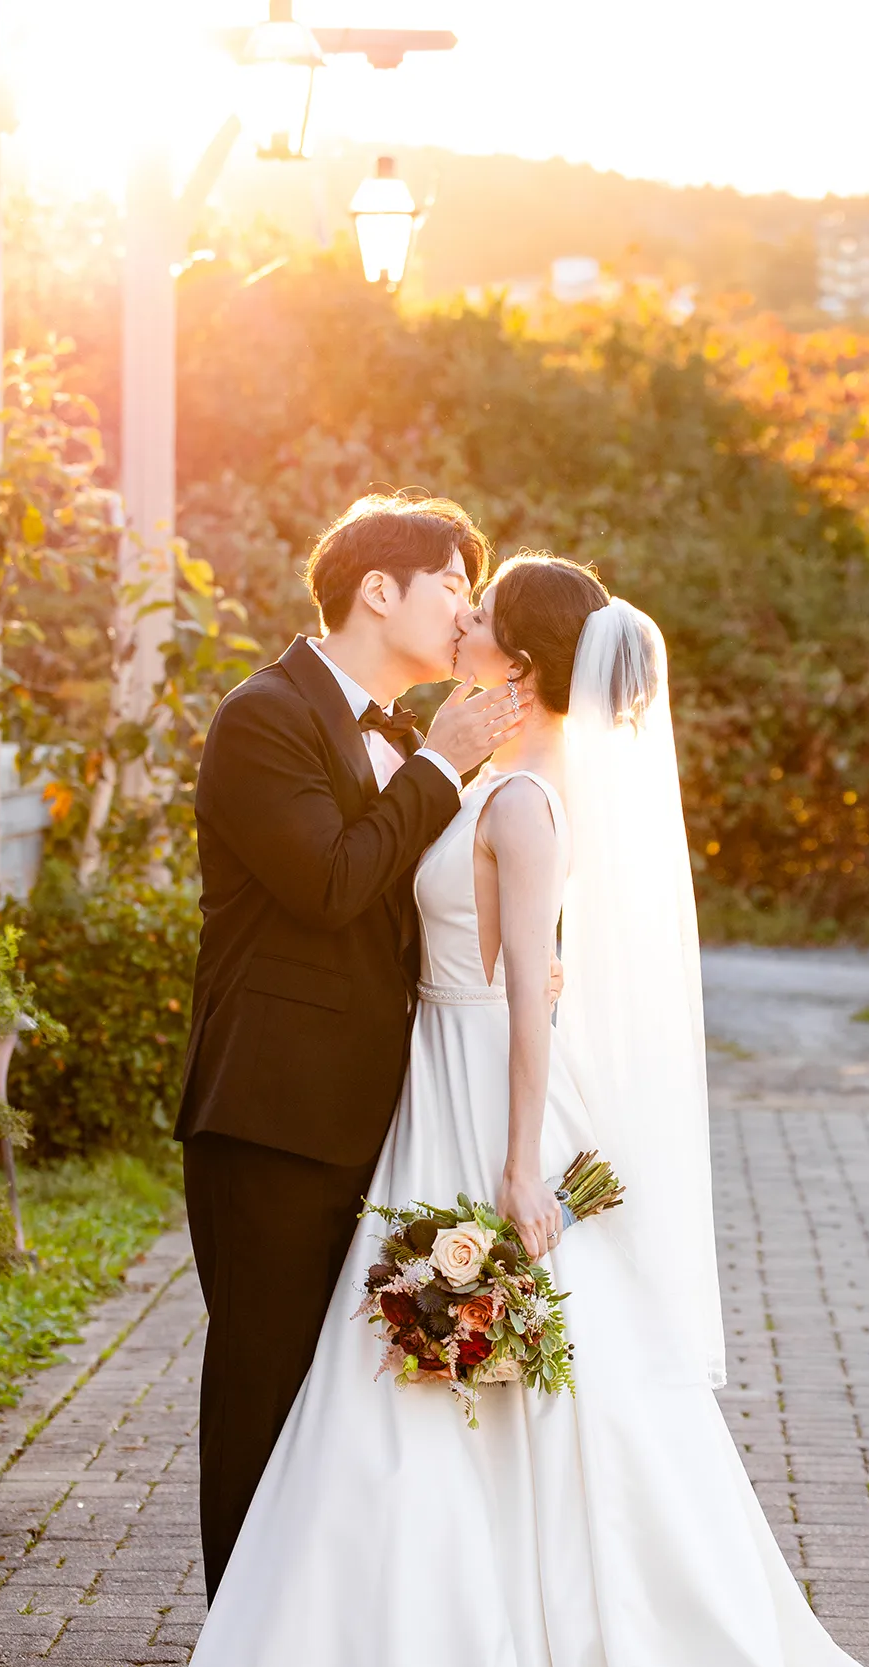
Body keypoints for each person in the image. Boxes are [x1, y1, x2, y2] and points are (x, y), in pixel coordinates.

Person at [168, 554, 869, 1667]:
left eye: (478, 609)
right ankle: (335, 1649)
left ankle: (474, 1648)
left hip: (477, 1100)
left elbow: (523, 985)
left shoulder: (514, 794)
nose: (458, 619)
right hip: (416, 1094)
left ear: (512, 660)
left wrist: (521, 1159)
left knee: (474, 1377)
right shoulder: (452, 765)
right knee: (373, 1381)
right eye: (446, 594)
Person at [174, 493, 527, 1603]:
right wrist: (439, 767)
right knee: (264, 1381)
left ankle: (316, 1640)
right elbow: (327, 883)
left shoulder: (407, 739)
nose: (465, 610)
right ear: (380, 590)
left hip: (385, 1112)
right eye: (452, 587)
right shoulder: (262, 715)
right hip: (272, 1110)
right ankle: (240, 1646)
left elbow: (405, 897)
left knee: (346, 1395)